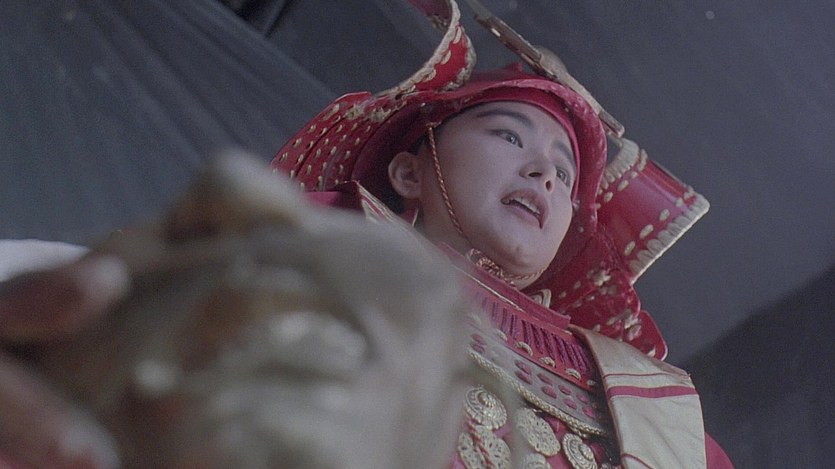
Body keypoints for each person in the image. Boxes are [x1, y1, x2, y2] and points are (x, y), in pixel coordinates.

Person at [267, 0, 733, 467]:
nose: (544, 174)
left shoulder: (645, 399)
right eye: (509, 137)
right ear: (410, 173)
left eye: (564, 176)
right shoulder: (322, 236)